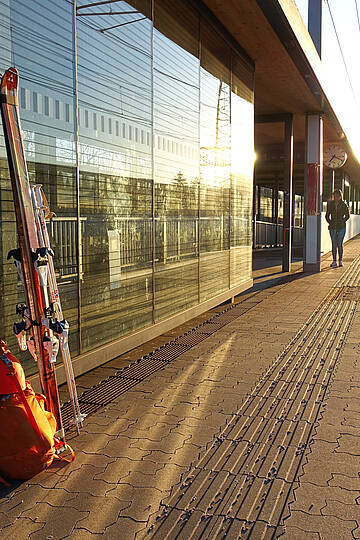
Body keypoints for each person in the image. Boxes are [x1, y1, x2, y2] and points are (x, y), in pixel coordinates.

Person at [325, 189, 350, 268]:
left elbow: (347, 215)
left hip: (341, 227)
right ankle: (334, 261)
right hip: (332, 227)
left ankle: (340, 260)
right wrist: (330, 222)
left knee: (339, 244)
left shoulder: (344, 204)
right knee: (334, 244)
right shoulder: (330, 204)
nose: (335, 197)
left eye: (337, 196)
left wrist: (342, 221)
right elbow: (327, 215)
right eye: (334, 196)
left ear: (340, 196)